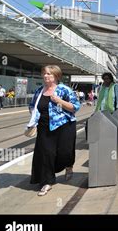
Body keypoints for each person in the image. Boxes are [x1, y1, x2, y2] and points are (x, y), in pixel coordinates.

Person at [29, 65, 80, 196]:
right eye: (44, 73)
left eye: (49, 74)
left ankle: (68, 166)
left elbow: (75, 107)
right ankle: (47, 182)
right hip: (44, 127)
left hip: (64, 126)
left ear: (56, 76)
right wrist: (34, 117)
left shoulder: (64, 90)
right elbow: (32, 106)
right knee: (46, 154)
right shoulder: (39, 91)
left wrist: (59, 100)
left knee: (65, 152)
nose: (46, 76)